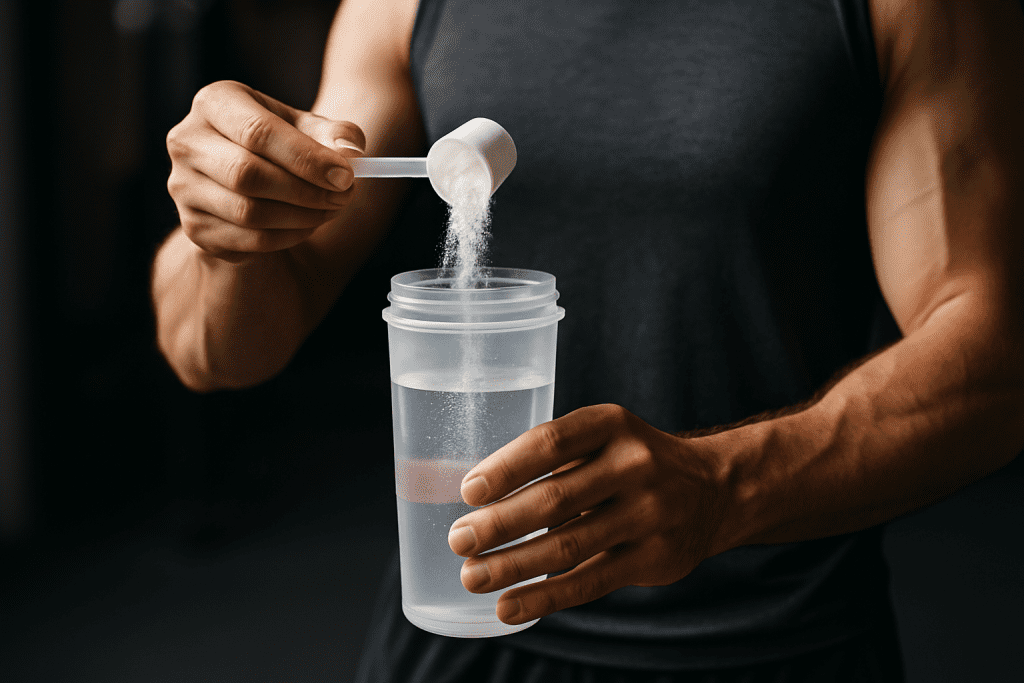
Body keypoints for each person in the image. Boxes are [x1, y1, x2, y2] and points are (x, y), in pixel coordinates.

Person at [151, 0, 1024, 680]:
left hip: (767, 645)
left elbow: (992, 359)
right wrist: (227, 227)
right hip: (464, 630)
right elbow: (212, 351)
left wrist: (725, 486)